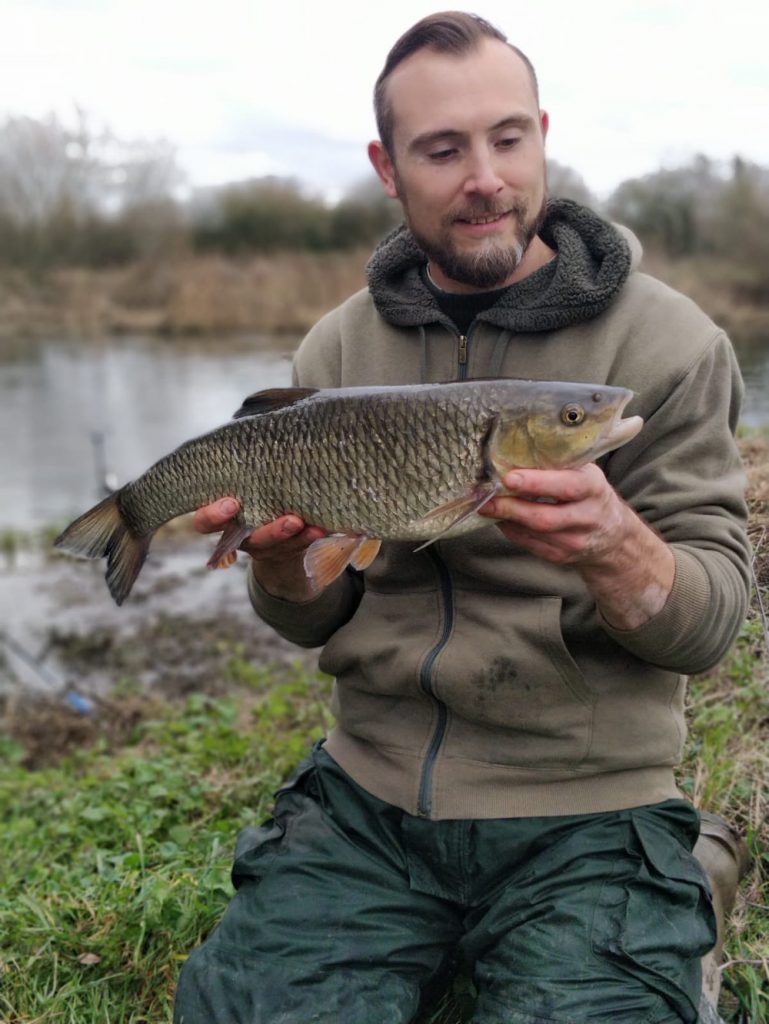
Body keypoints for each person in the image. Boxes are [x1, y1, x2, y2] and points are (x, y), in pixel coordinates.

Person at [174, 12, 752, 1024]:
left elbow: (708, 626)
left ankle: (685, 869)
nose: (485, 176)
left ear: (539, 132)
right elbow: (316, 613)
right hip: (368, 796)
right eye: (442, 149)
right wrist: (278, 567)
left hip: (587, 800)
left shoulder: (669, 345)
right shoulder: (332, 355)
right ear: (387, 167)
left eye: (507, 137)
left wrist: (615, 546)